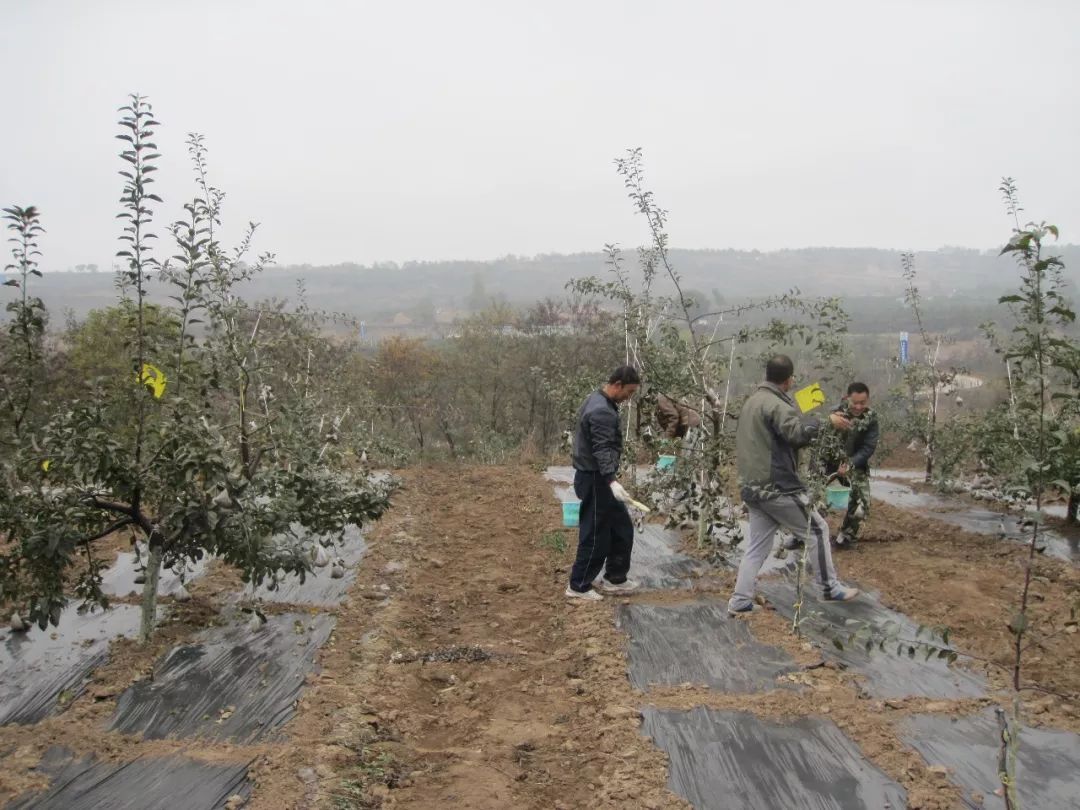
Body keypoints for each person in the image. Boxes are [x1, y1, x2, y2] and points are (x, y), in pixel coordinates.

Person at [727, 355, 860, 615]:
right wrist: (827, 422)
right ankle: (829, 587)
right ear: (789, 379)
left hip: (752, 487)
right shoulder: (775, 405)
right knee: (818, 530)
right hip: (775, 486)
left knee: (757, 547)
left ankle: (740, 600)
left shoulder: (753, 402)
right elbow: (797, 435)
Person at [566, 365, 641, 602]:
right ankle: (578, 585)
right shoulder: (602, 412)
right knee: (596, 534)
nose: (628, 398)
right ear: (617, 385)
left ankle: (615, 578)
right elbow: (603, 449)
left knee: (621, 528)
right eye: (628, 393)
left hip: (597, 477)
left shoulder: (598, 400)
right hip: (596, 479)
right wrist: (611, 480)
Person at [829, 382, 879, 547]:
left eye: (862, 403)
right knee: (816, 500)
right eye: (854, 402)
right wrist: (836, 463)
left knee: (862, 506)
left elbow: (868, 447)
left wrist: (850, 464)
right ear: (846, 398)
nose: (858, 407)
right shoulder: (835, 413)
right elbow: (822, 435)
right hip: (830, 464)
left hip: (855, 465)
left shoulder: (871, 418)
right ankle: (803, 535)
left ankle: (847, 535)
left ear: (868, 400)